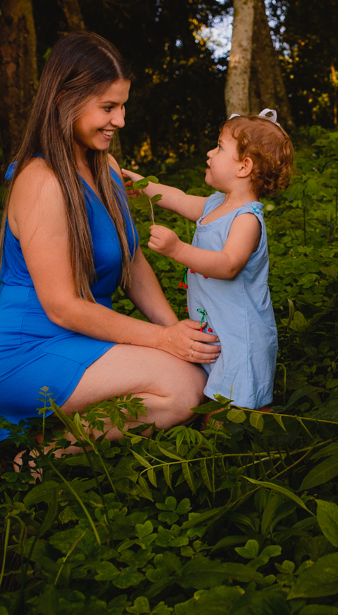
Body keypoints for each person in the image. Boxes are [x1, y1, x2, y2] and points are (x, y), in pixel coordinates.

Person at [0, 31, 219, 449]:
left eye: (122, 105)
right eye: (108, 107)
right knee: (183, 391)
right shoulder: (41, 182)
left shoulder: (104, 165)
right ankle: (46, 454)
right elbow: (63, 306)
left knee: (199, 368)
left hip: (84, 337)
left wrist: (176, 331)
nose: (120, 120)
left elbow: (133, 261)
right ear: (63, 100)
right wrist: (162, 341)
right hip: (27, 349)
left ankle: (58, 426)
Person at [122, 109, 294, 409]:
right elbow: (175, 197)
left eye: (219, 147)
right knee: (213, 399)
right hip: (215, 328)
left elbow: (228, 265)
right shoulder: (216, 204)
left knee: (241, 405)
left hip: (241, 336)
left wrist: (178, 250)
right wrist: (142, 183)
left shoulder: (246, 219)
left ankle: (257, 450)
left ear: (244, 167)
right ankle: (218, 444)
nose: (209, 152)